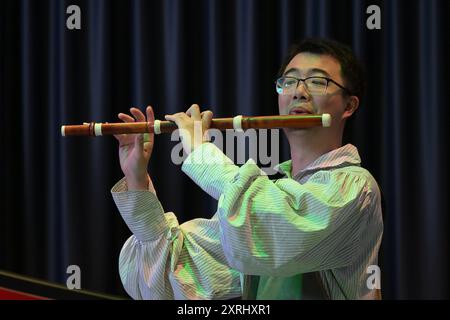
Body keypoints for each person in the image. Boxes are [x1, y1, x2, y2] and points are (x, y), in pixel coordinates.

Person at [111, 38, 383, 300]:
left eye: (316, 81)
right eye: (289, 81)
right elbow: (168, 277)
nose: (299, 91)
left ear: (349, 105)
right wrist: (137, 177)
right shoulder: (258, 209)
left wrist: (201, 153)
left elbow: (278, 227)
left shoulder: (356, 188)